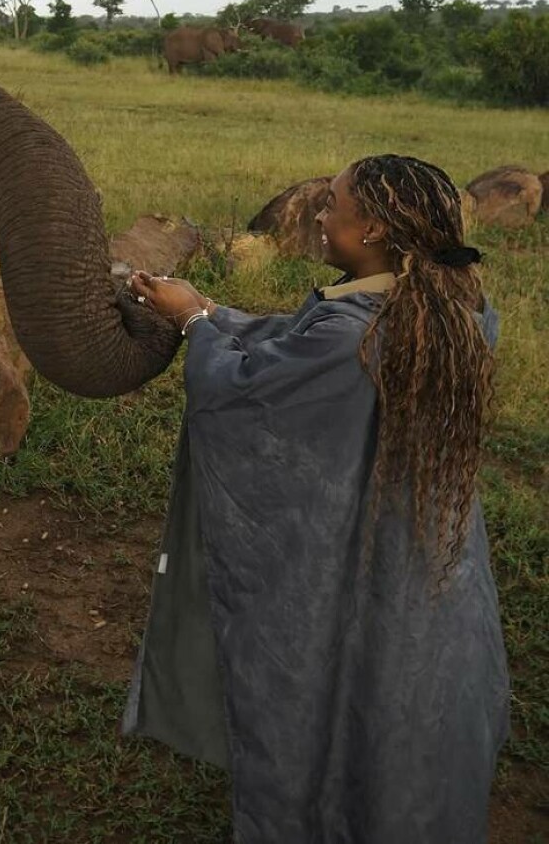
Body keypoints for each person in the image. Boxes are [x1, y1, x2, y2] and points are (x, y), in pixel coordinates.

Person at [122, 154, 510, 844]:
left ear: (376, 232)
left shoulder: (356, 335)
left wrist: (194, 329)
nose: (321, 217)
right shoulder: (449, 310)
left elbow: (248, 388)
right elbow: (296, 346)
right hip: (432, 568)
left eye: (334, 206)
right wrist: (208, 308)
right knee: (411, 702)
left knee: (349, 689)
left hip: (360, 564)